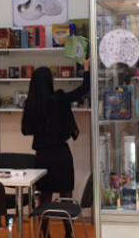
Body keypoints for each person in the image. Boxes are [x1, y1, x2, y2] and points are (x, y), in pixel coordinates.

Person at [22, 59, 90, 238]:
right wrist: (86, 68)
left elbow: (25, 130)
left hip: (42, 156)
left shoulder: (31, 104)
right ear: (48, 81)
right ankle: (69, 234)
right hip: (61, 155)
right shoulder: (59, 98)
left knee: (44, 200)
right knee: (66, 198)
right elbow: (84, 89)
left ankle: (45, 235)